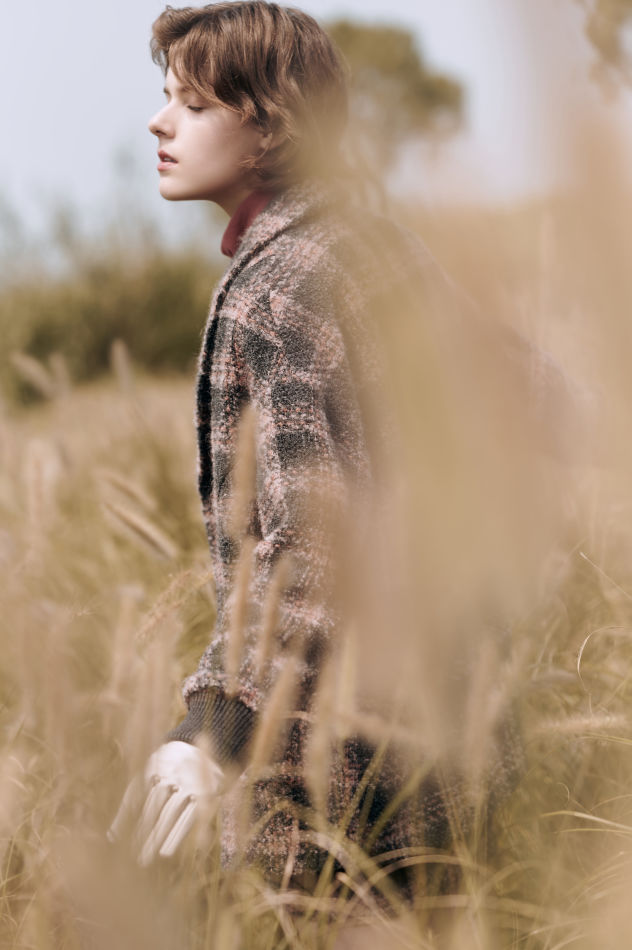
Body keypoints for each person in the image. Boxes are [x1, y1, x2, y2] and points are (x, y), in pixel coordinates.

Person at [108, 0, 591, 904]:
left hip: (341, 794)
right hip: (468, 752)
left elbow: (304, 551)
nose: (158, 123)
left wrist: (212, 726)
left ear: (271, 126)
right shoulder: (381, 244)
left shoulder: (270, 297)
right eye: (167, 98)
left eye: (195, 104)